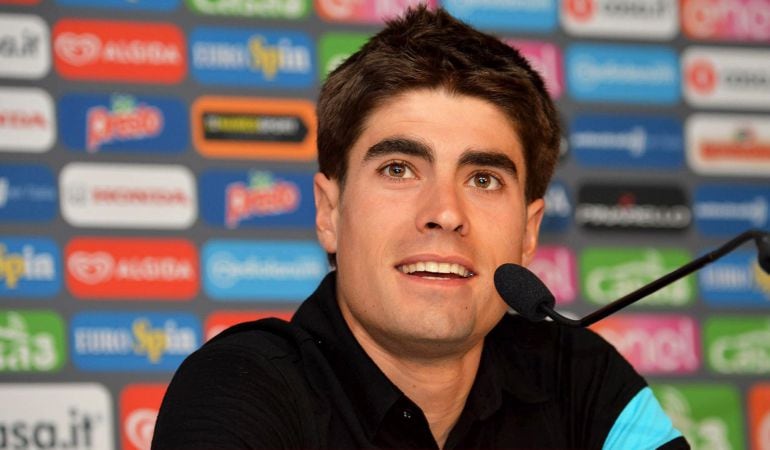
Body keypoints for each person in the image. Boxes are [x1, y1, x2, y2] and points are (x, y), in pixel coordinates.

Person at [152, 6, 689, 449]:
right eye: (399, 169)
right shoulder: (242, 388)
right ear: (328, 213)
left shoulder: (581, 377)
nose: (446, 211)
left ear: (529, 233)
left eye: (482, 179)